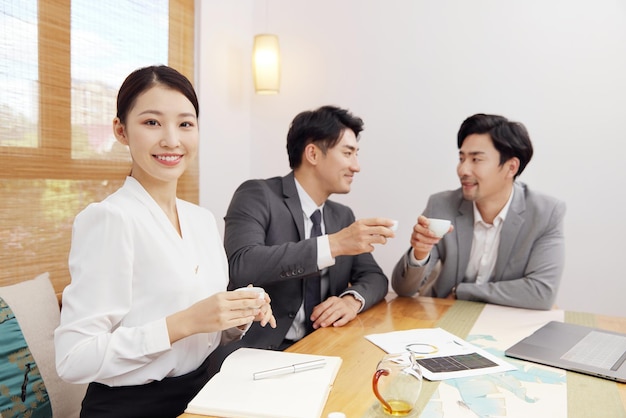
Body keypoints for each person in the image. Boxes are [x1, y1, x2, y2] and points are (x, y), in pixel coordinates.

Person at [54, 65, 276, 418]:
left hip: (201, 395)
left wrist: (235, 315)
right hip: (130, 408)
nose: (172, 140)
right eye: (152, 122)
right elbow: (73, 358)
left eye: (185, 124)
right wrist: (184, 321)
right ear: (120, 130)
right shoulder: (110, 219)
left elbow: (201, 334)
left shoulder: (201, 220)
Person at [211, 105, 393, 365]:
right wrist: (333, 245)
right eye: (348, 153)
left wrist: (352, 300)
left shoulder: (342, 215)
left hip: (322, 348)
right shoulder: (257, 195)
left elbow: (374, 277)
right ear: (313, 153)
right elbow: (241, 265)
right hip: (259, 354)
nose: (357, 166)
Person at [392, 113, 565, 310]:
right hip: (442, 318)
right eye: (461, 158)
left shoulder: (545, 213)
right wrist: (420, 253)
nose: (463, 170)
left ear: (511, 167)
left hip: (506, 322)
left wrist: (462, 292)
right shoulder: (441, 205)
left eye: (476, 159)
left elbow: (541, 293)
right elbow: (403, 290)